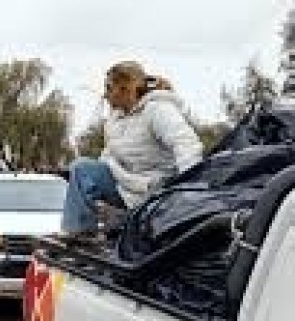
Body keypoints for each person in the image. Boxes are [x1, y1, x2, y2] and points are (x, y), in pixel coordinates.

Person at [61, 61, 203, 235]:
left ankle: (129, 222)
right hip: (125, 185)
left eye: (109, 88)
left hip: (156, 190)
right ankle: (78, 232)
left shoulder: (158, 110)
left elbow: (186, 144)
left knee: (83, 170)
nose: (105, 95)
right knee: (82, 169)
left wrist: (189, 189)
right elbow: (108, 155)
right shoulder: (114, 119)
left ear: (125, 88)